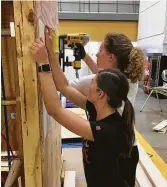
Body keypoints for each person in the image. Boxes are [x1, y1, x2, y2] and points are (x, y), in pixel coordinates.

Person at [31, 31, 145, 187]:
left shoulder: (106, 129)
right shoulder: (98, 106)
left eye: (92, 83)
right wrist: (51, 53)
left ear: (101, 94)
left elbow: (55, 110)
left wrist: (44, 65)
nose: (88, 84)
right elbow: (64, 86)